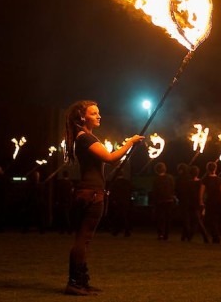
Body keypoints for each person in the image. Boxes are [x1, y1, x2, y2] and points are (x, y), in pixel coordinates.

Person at [63, 99, 144, 296]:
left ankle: (81, 281)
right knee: (83, 239)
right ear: (83, 117)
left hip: (89, 191)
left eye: (98, 112)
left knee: (85, 239)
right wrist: (130, 142)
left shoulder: (85, 137)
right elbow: (110, 157)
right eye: (94, 113)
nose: (99, 116)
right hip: (91, 193)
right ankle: (75, 283)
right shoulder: (85, 138)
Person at [200, 161, 221, 244]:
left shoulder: (205, 179)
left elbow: (202, 191)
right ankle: (217, 235)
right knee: (219, 219)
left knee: (212, 219)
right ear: (215, 169)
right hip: (220, 201)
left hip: (211, 200)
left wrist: (201, 200)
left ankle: (215, 236)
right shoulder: (220, 179)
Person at [182, 165, 210, 243]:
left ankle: (203, 237)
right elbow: (202, 193)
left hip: (190, 204)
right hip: (197, 204)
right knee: (196, 221)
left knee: (192, 221)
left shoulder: (187, 183)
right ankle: (187, 237)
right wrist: (202, 203)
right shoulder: (200, 182)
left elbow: (186, 194)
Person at [151, 161, 176, 240]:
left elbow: (155, 191)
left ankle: (160, 233)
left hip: (160, 201)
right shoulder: (170, 178)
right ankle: (166, 234)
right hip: (169, 200)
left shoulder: (156, 180)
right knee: (167, 218)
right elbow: (173, 188)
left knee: (159, 218)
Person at [107, 172, 133, 237]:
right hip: (125, 201)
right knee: (123, 216)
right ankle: (123, 231)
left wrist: (113, 200)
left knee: (118, 216)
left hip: (118, 202)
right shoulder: (127, 182)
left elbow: (113, 193)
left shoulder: (115, 183)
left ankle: (118, 231)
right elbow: (130, 191)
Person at [174, 162, 191, 241]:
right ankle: (184, 235)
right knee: (187, 218)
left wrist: (177, 197)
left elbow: (176, 189)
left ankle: (187, 234)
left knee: (185, 218)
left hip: (183, 200)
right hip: (189, 200)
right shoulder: (189, 178)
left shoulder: (179, 179)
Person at [54, 170, 73, 234]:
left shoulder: (61, 183)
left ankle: (66, 230)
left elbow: (59, 193)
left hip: (62, 201)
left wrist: (57, 201)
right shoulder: (70, 183)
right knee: (65, 216)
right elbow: (71, 193)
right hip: (67, 201)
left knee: (63, 216)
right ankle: (66, 230)